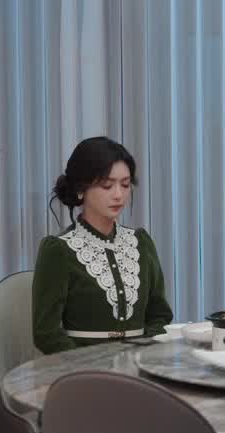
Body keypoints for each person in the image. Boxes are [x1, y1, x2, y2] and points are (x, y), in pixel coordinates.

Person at [32, 137, 172, 354]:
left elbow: (159, 316)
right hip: (82, 369)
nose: (118, 195)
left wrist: (143, 355)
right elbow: (46, 334)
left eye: (125, 184)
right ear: (81, 189)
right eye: (107, 185)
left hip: (139, 364)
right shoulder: (59, 250)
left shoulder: (141, 243)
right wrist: (90, 365)